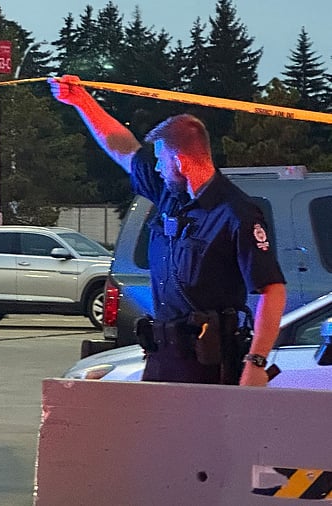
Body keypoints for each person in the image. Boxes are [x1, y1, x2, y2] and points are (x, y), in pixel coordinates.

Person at [49, 74, 287, 387]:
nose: (157, 168)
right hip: (163, 356)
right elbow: (123, 148)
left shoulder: (235, 212)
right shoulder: (170, 194)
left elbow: (273, 291)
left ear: (181, 161)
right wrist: (81, 101)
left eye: (161, 160)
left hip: (209, 363)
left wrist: (256, 363)